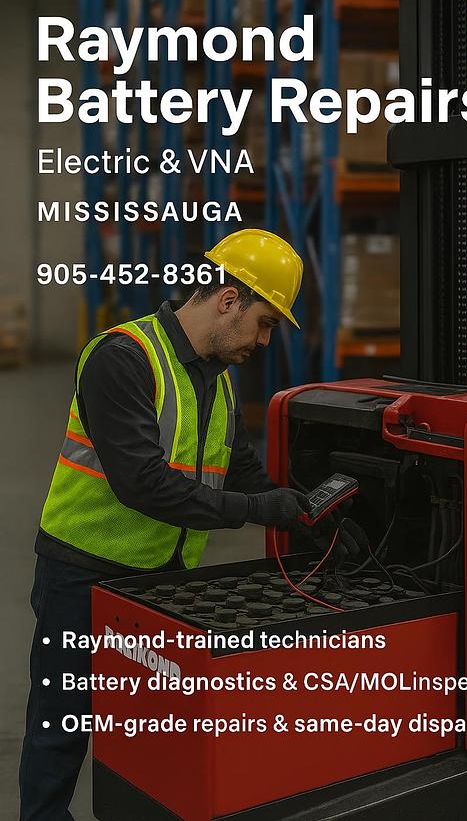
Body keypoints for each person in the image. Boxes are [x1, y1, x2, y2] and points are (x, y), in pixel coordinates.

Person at [19, 229, 360, 821]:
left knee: (150, 735)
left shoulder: (217, 377)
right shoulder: (121, 358)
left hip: (162, 581)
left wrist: (309, 517)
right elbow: (144, 483)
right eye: (264, 322)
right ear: (227, 299)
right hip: (83, 576)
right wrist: (262, 512)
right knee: (61, 730)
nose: (263, 339)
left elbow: (243, 470)